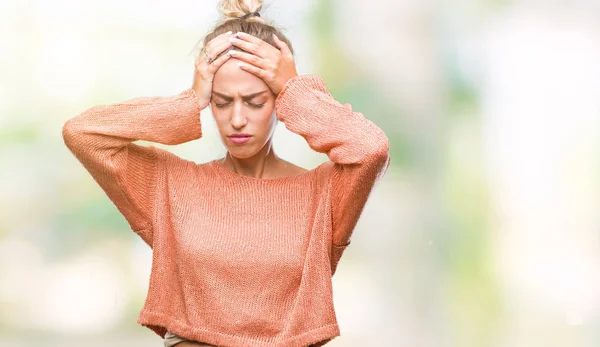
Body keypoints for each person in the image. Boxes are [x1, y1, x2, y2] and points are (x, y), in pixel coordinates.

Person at [61, 0, 390, 346]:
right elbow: (83, 134)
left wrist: (296, 91)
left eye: (254, 101)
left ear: (279, 101)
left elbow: (371, 148)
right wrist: (188, 101)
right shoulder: (171, 186)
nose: (236, 120)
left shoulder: (323, 195)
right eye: (221, 102)